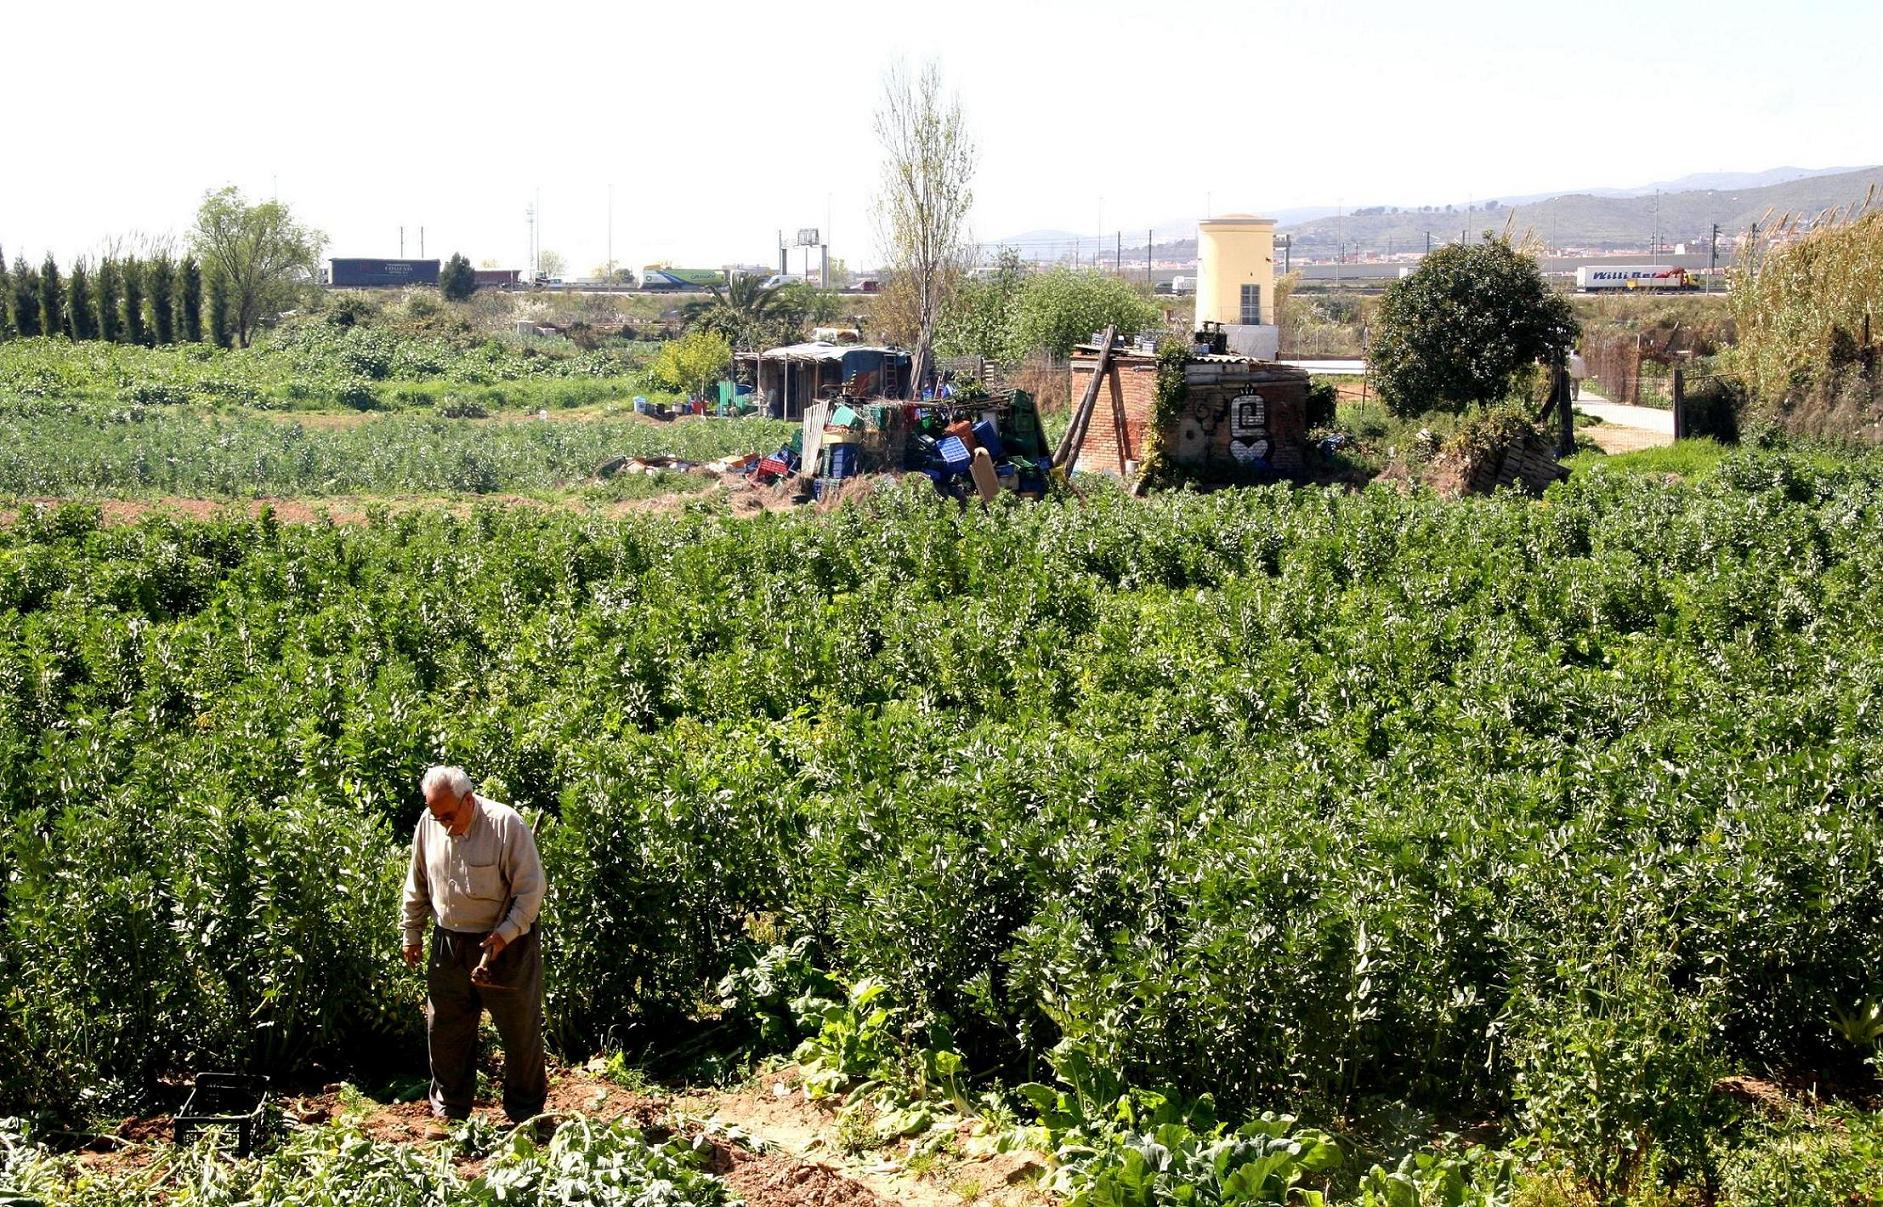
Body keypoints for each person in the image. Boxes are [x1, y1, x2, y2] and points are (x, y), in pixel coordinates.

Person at [401, 766, 548, 1135]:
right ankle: (451, 1112)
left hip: (506, 945)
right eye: (437, 815)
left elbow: (531, 891)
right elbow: (417, 881)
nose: (444, 824)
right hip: (449, 942)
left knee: (519, 1032)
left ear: (469, 800)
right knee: (445, 1030)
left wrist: (505, 933)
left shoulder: (505, 825)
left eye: (449, 815)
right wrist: (412, 933)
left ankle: (526, 1115)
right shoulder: (429, 823)